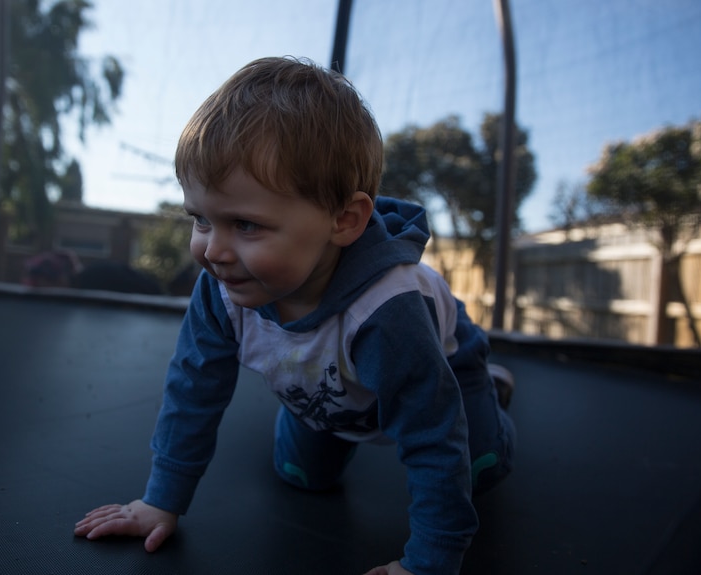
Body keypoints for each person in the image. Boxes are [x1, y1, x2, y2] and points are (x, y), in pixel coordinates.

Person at [73, 56, 515, 575]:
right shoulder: (220, 288)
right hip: (336, 397)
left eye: (245, 224)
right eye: (200, 219)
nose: (213, 250)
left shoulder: (387, 311)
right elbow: (194, 386)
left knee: (483, 466)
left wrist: (431, 560)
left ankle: (488, 387)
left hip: (444, 370)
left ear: (344, 220)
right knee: (301, 476)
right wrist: (161, 500)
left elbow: (433, 433)